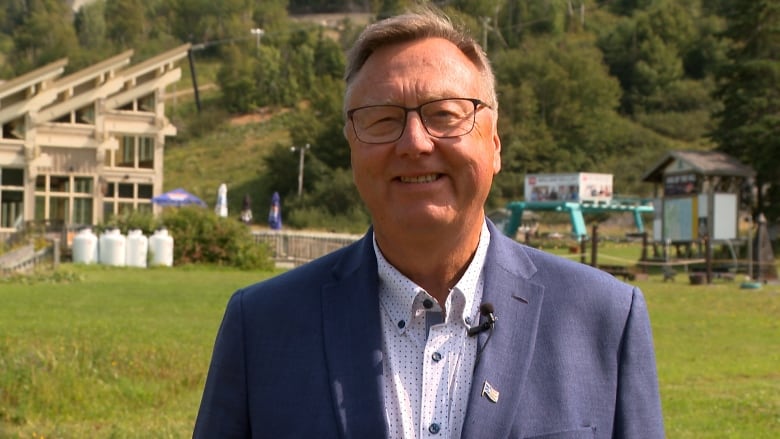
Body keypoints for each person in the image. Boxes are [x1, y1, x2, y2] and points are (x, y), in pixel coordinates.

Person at [193, 6, 664, 438]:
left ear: (495, 144)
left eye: (445, 114)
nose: (415, 142)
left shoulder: (605, 319)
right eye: (382, 119)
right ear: (352, 148)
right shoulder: (261, 326)